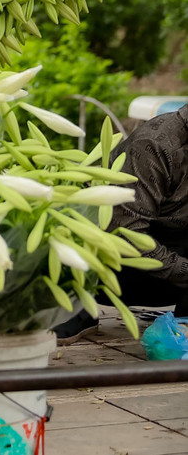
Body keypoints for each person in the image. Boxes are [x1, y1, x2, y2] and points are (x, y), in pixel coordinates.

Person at [55, 106, 188, 343]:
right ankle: (76, 306)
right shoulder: (157, 144)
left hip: (171, 258)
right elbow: (128, 235)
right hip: (114, 266)